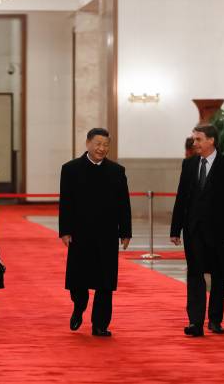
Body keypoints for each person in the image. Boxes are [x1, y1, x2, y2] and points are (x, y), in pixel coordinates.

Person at [170, 124, 224, 337]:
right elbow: (181, 198)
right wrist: (175, 229)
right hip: (193, 229)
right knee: (195, 274)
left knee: (219, 276)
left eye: (198, 139)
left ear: (211, 140)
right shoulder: (189, 165)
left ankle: (215, 320)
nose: (195, 143)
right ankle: (195, 322)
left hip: (221, 231)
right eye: (194, 140)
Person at [58, 128, 132, 337]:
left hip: (107, 234)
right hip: (80, 234)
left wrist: (125, 231)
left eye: (106, 145)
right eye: (98, 144)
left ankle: (100, 324)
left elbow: (123, 204)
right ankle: (79, 306)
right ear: (88, 143)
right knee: (78, 281)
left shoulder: (117, 171)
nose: (102, 148)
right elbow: (66, 203)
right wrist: (65, 230)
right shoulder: (70, 169)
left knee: (105, 282)